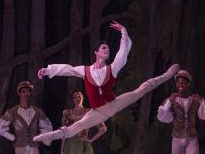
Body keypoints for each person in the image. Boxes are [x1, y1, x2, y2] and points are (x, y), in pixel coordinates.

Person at [33, 20, 179, 144]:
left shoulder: (112, 69)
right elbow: (67, 69)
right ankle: (49, 136)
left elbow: (123, 52)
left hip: (114, 104)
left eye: (108, 49)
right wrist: (47, 70)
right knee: (75, 128)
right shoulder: (85, 71)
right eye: (104, 48)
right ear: (96, 52)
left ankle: (167, 74)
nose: (107, 50)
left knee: (141, 90)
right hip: (98, 112)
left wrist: (123, 31)